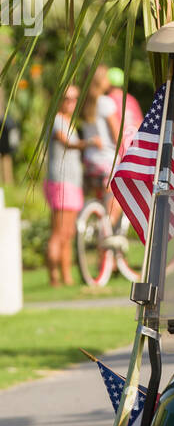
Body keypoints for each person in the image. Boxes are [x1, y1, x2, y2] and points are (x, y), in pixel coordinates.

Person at [44, 85, 92, 286]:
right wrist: (90, 143)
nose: (71, 102)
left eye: (74, 98)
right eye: (67, 98)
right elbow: (67, 143)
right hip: (61, 181)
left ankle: (66, 276)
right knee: (59, 232)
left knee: (68, 233)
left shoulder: (69, 122)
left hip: (72, 182)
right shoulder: (56, 121)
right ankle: (54, 278)